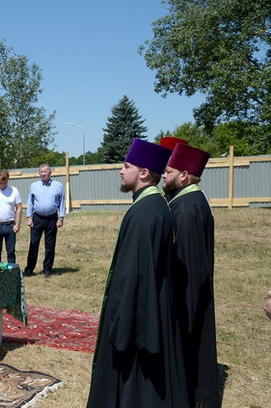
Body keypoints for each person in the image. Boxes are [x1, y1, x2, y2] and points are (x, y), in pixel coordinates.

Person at [87, 139, 190, 408]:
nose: (121, 171)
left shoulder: (145, 213)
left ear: (144, 173)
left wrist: (121, 328)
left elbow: (133, 275)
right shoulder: (155, 206)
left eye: (126, 166)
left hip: (138, 317)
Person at [162, 143, 219, 407]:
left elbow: (188, 267)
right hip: (192, 299)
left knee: (190, 354)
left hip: (188, 303)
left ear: (184, 175)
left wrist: (181, 314)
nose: (163, 174)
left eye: (168, 170)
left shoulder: (185, 209)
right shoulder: (190, 201)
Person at [25, 164, 65, 278]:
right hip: (37, 218)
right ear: (39, 173)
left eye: (45, 171)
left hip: (52, 219)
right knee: (33, 244)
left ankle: (47, 269)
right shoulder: (34, 186)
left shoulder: (58, 186)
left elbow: (62, 202)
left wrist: (61, 218)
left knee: (50, 245)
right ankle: (29, 269)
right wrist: (28, 217)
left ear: (50, 173)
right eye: (41, 172)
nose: (43, 174)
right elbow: (30, 202)